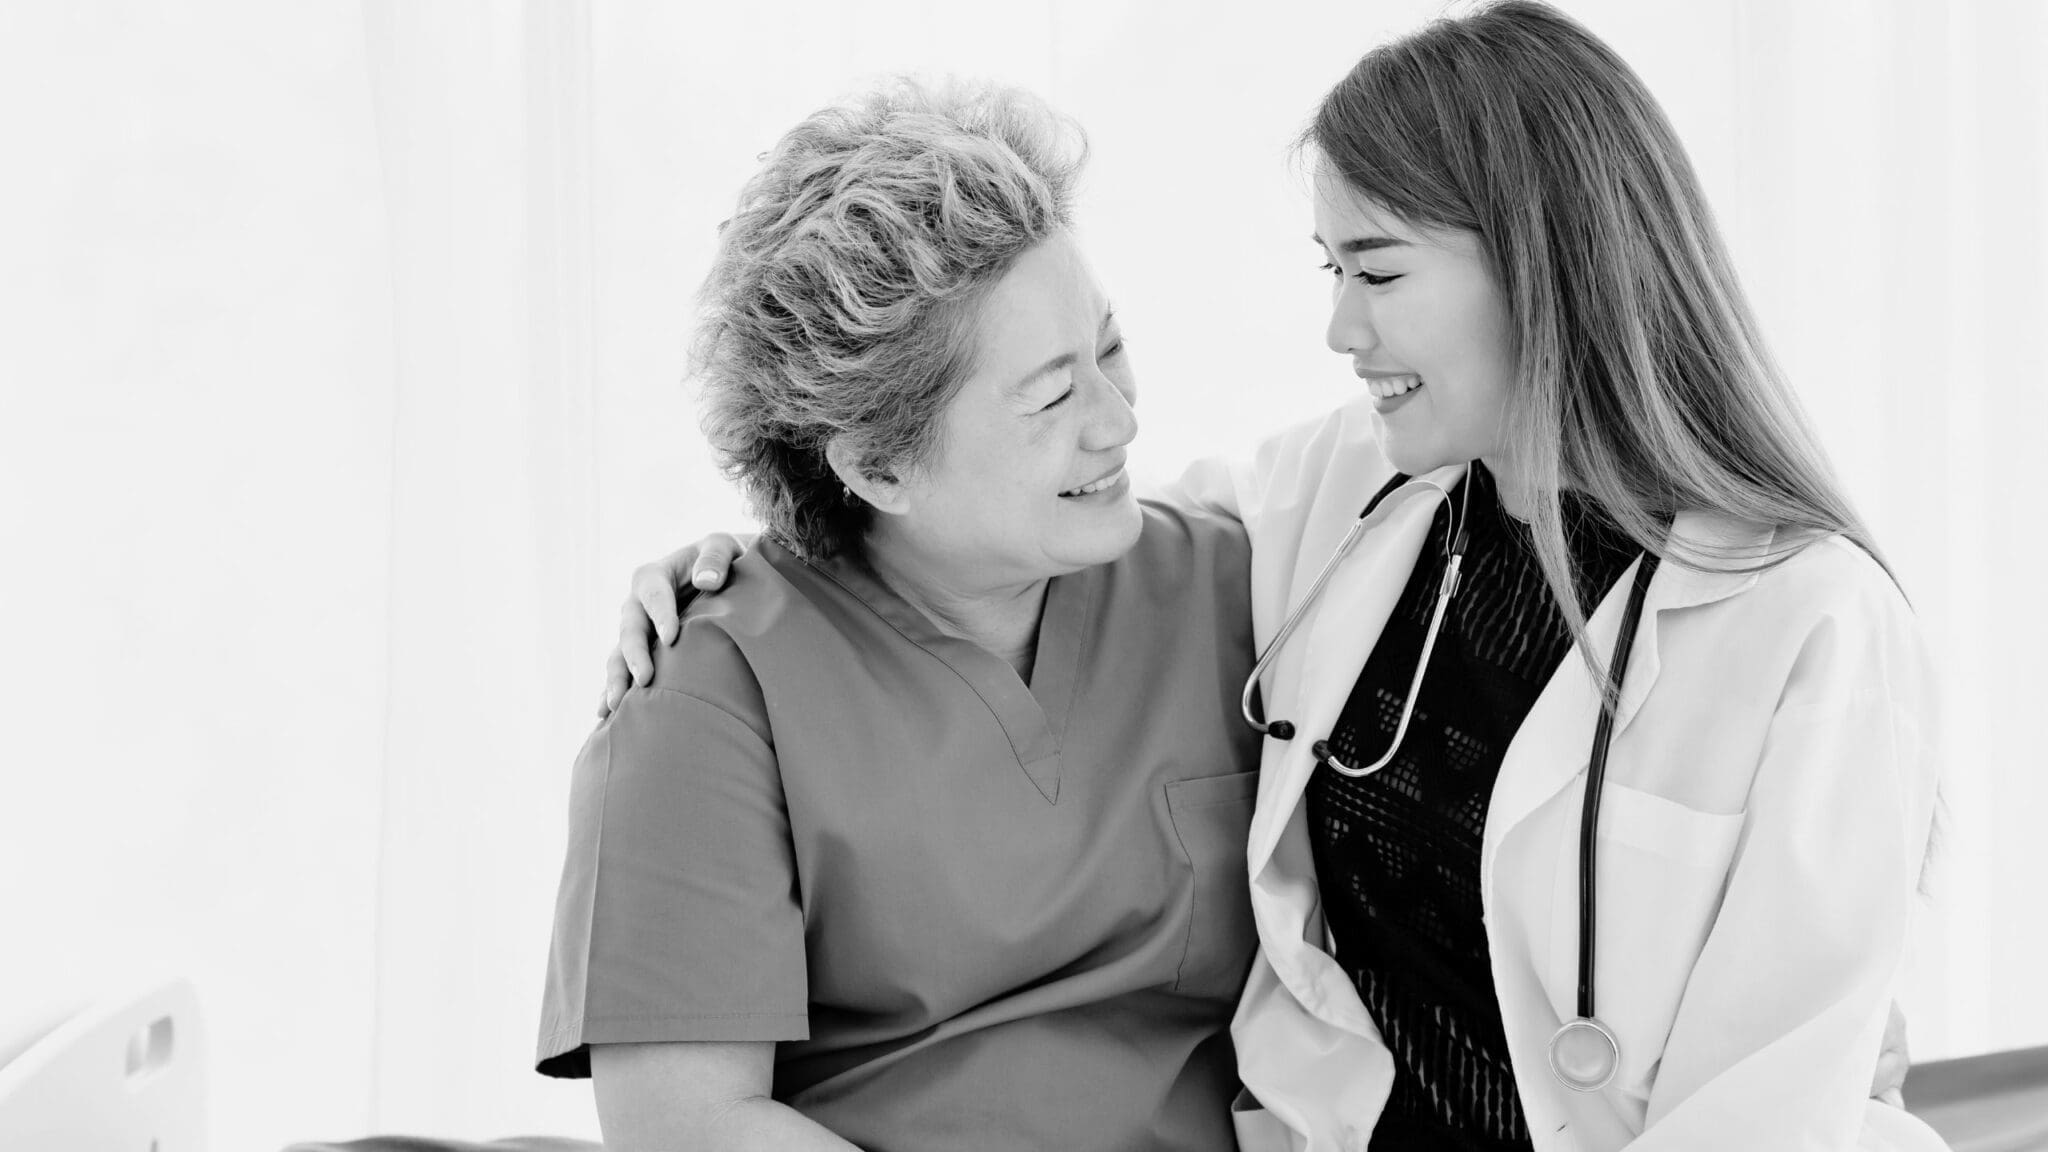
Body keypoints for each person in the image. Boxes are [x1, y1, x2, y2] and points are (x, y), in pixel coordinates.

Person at [608, 4, 1943, 1150]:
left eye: (1375, 269)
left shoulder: (1808, 626)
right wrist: (757, 562)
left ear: (1546, 270)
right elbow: (969, 541)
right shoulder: (1331, 511)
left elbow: (1779, 1093)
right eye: (1330, 269)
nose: (1337, 328)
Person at [538, 80, 1263, 1152]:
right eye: (1050, 395)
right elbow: (685, 1123)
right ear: (879, 463)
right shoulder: (705, 689)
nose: (1117, 419)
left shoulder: (1237, 587)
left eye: (1106, 349)